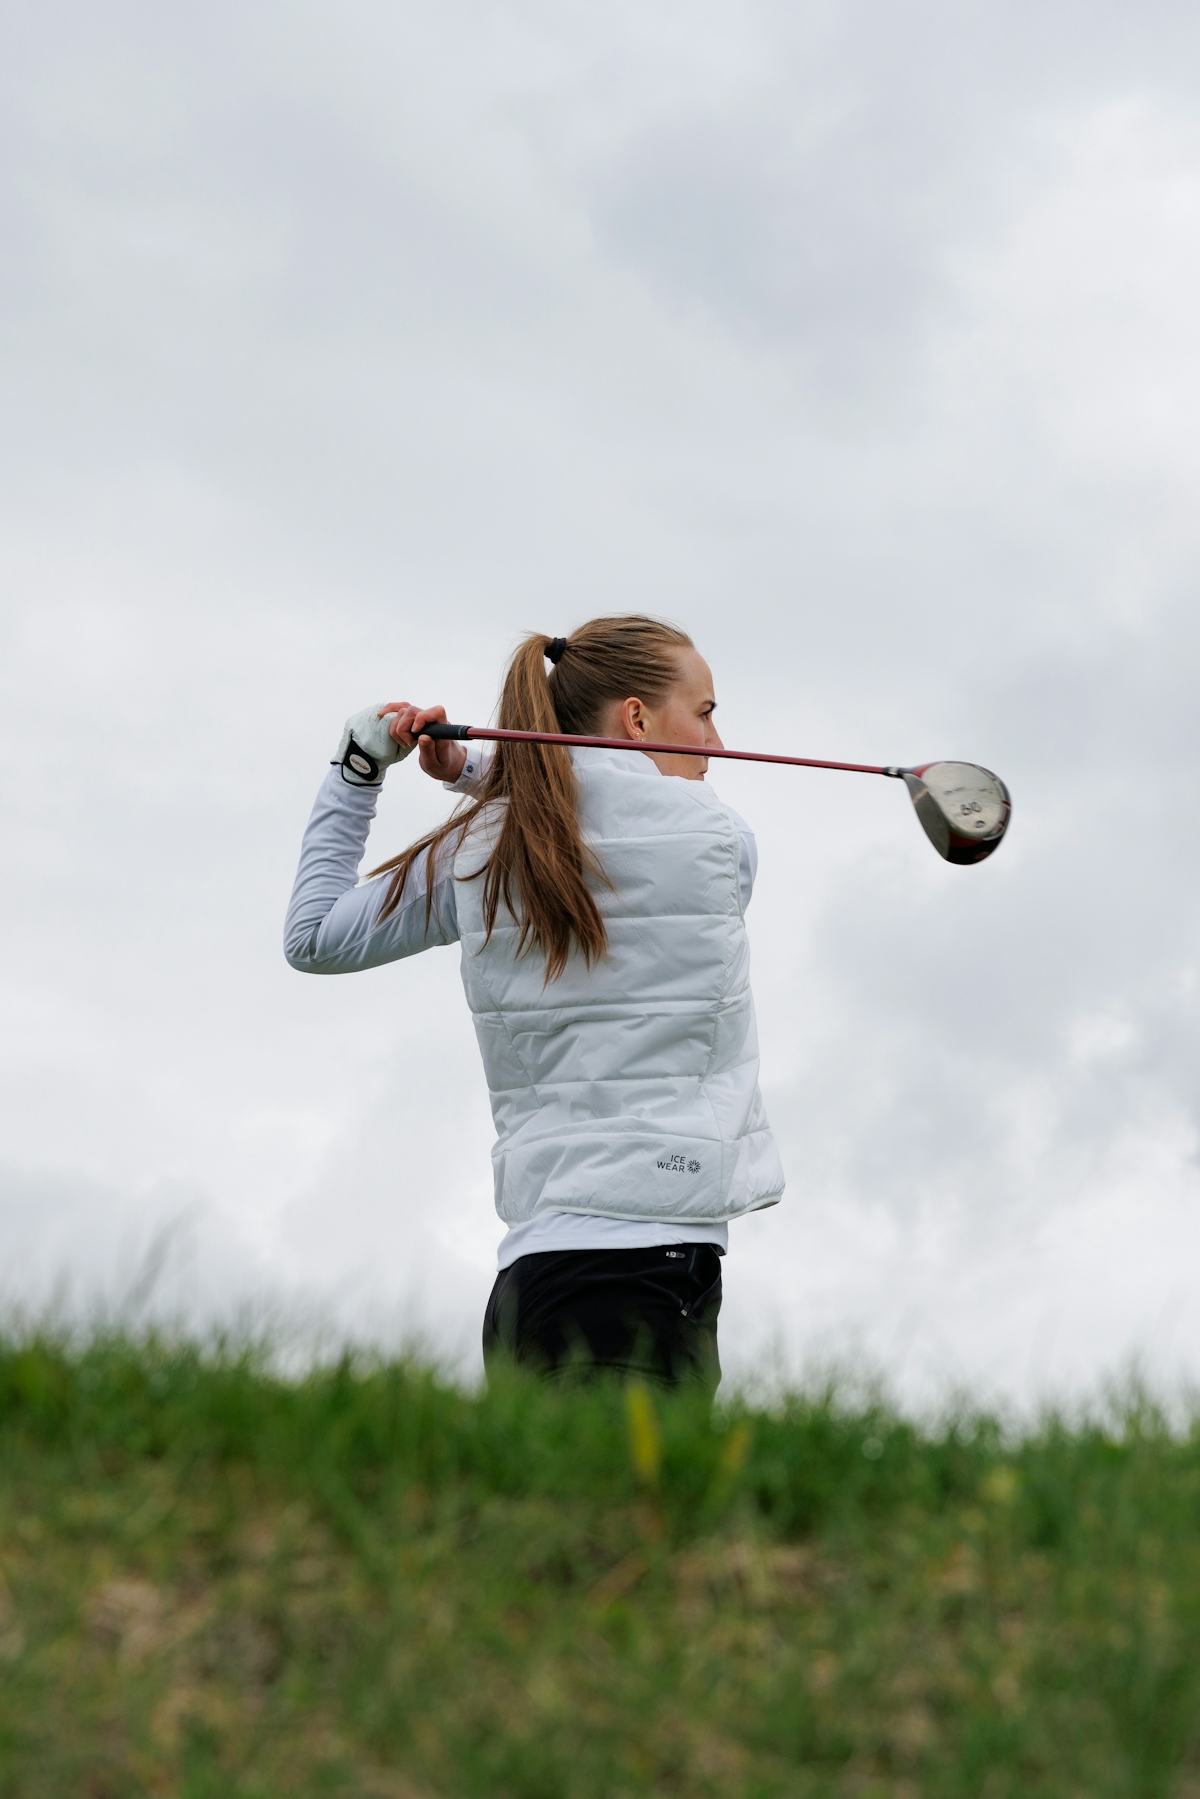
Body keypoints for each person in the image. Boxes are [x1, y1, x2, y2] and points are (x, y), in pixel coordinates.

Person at [284, 615, 784, 1388]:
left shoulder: (477, 850)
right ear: (638, 717)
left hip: (531, 1282)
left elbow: (313, 937)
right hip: (651, 1276)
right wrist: (479, 770)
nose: (717, 743)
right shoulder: (720, 840)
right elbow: (609, 809)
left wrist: (360, 766)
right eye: (707, 712)